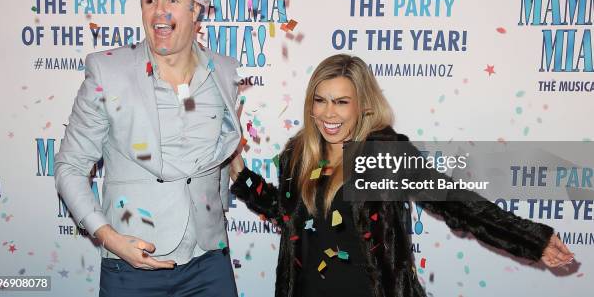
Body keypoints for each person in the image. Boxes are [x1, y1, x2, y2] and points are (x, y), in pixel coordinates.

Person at [229, 54, 574, 297]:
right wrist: (243, 177)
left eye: (341, 102)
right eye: (320, 100)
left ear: (363, 105)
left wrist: (531, 239)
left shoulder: (381, 153)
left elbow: (454, 202)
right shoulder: (299, 154)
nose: (328, 113)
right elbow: (292, 217)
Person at [55, 0, 240, 297]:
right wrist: (110, 238)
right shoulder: (107, 72)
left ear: (195, 9)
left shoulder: (225, 71)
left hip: (209, 261)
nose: (159, 12)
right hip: (133, 263)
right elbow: (70, 167)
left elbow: (219, 160)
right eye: (150, 0)